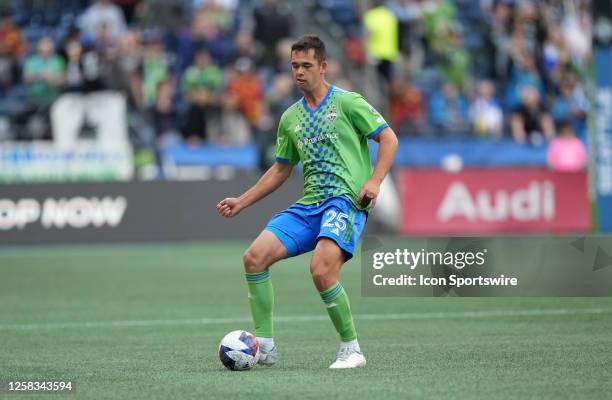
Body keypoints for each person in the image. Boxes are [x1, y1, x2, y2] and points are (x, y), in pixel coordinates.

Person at [216, 35, 398, 369]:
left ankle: (352, 350)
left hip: (344, 202)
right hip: (310, 205)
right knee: (254, 258)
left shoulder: (347, 103)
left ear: (323, 67)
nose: (299, 72)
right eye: (294, 66)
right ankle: (265, 347)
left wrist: (374, 181)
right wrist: (242, 201)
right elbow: (281, 169)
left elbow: (388, 138)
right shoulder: (290, 119)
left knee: (321, 271)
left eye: (306, 66)